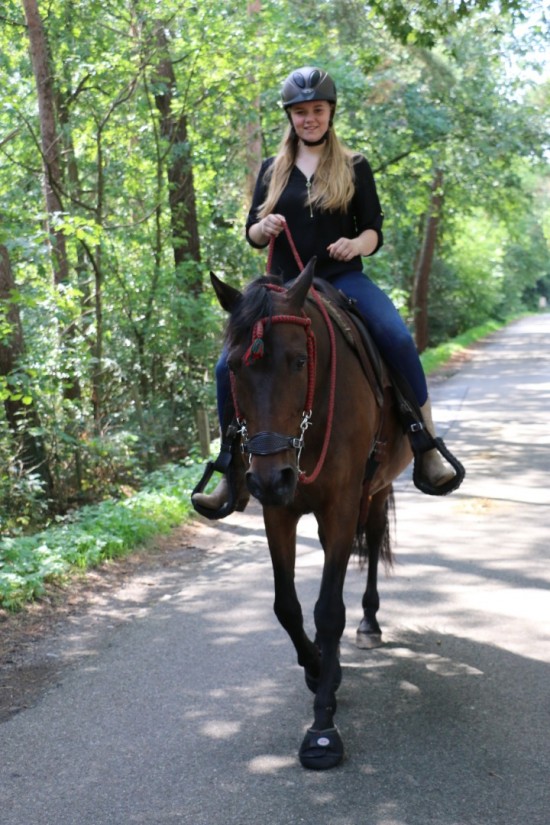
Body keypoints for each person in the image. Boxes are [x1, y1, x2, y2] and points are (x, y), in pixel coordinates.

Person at [192, 66, 463, 515]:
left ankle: (426, 443)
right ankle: (230, 468)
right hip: (281, 287)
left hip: (342, 277)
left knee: (395, 337)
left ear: (330, 113)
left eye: (317, 110)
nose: (309, 119)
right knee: (226, 366)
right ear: (291, 117)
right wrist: (265, 225)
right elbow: (252, 233)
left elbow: (373, 230)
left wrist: (356, 243)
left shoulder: (354, 165)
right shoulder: (271, 169)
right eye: (300, 112)